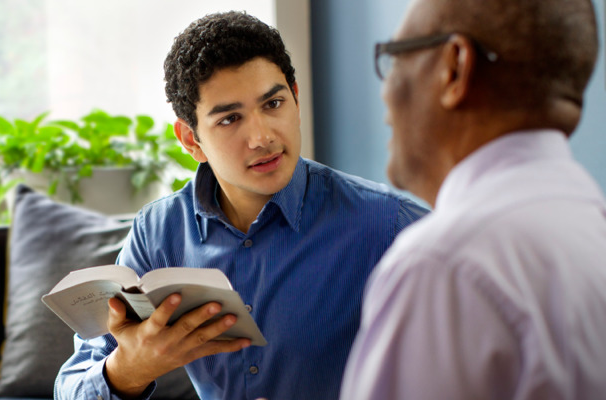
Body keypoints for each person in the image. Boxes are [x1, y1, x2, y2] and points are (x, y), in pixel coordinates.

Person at [54, 11, 427, 400]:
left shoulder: (390, 224)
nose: (262, 137)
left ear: (296, 100)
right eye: (230, 119)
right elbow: (71, 387)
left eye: (274, 103)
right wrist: (130, 370)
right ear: (191, 140)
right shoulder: (159, 231)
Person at [339, 0, 606, 399]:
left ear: (454, 68)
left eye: (394, 59)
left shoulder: (442, 266)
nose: (384, 94)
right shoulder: (590, 224)